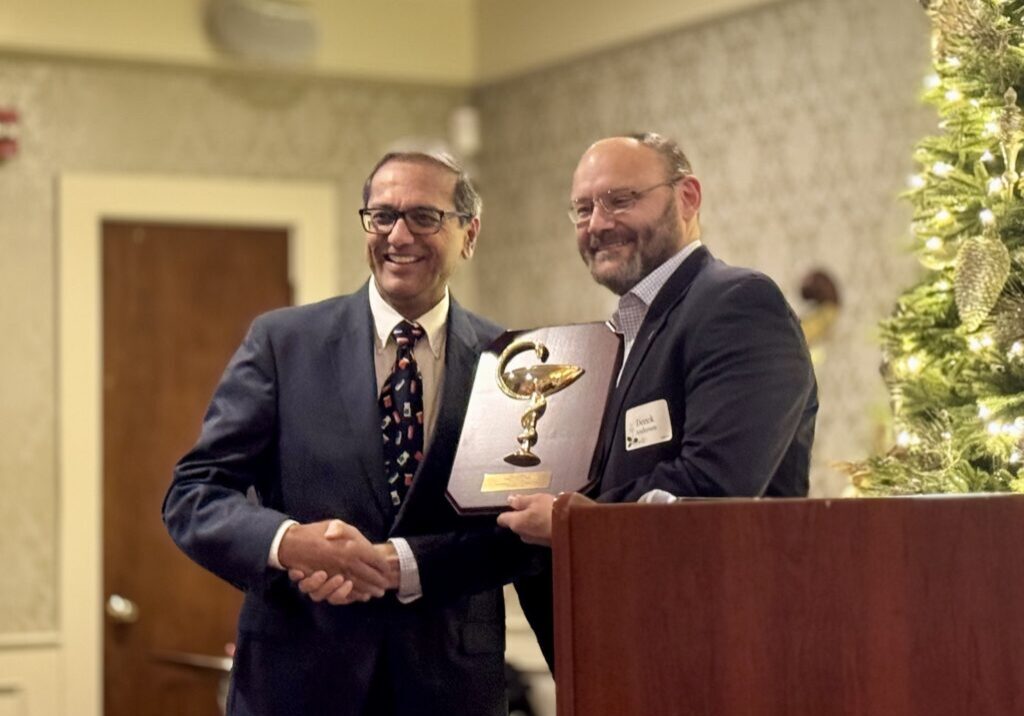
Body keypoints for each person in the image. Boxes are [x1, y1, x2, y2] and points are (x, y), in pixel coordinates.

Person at [163, 151, 539, 716]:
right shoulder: (282, 343)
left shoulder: (507, 362)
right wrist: (290, 543)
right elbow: (193, 496)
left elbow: (517, 531)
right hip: (295, 683)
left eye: (424, 217)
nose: (397, 235)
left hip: (449, 688)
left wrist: (400, 564)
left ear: (469, 234)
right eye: (381, 215)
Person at [498, 133, 818, 661]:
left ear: (687, 197)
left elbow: (714, 490)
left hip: (717, 650)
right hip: (630, 647)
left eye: (621, 200)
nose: (598, 224)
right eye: (583, 209)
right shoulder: (617, 337)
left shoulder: (737, 304)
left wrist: (575, 522)